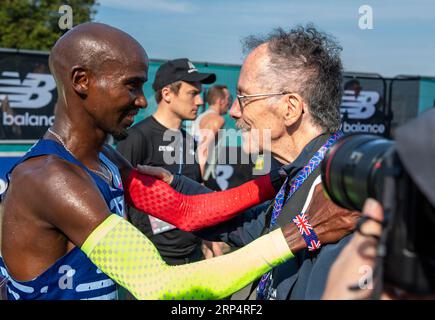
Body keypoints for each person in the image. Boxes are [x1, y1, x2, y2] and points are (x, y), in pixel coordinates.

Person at [0, 22, 356, 300]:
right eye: (132, 86)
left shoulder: (108, 162)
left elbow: (189, 212)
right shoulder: (50, 178)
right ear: (82, 81)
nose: (142, 101)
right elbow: (158, 285)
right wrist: (299, 234)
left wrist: (277, 180)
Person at [193, 24, 360, 300]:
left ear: (290, 108)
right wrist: (173, 187)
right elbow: (244, 227)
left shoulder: (340, 194)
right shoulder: (298, 172)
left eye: (244, 97)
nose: (234, 111)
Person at [117, 58, 216, 266]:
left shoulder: (190, 140)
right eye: (193, 93)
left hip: (193, 256)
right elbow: (118, 201)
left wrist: (209, 243)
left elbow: (195, 193)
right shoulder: (137, 137)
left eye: (201, 94)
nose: (199, 101)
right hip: (151, 261)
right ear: (167, 94)